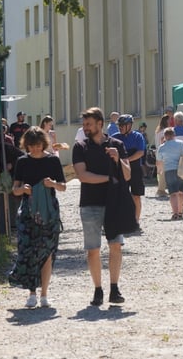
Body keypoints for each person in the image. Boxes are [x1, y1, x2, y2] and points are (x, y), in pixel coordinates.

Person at [71, 107, 131, 307]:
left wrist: (117, 160)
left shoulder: (117, 144)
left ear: (100, 124)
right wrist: (110, 178)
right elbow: (83, 176)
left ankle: (114, 288)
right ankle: (98, 289)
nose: (85, 128)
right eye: (84, 124)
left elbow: (128, 174)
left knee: (116, 245)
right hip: (90, 203)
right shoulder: (80, 147)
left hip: (114, 203)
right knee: (93, 249)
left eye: (89, 124)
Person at [8, 126, 66, 308]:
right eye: (31, 146)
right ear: (27, 145)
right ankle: (32, 292)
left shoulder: (53, 162)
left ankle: (44, 294)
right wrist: (23, 189)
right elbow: (14, 190)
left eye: (38, 145)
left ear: (44, 143)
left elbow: (63, 186)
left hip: (49, 211)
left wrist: (52, 184)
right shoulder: (22, 162)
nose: (35, 149)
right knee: (29, 251)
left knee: (48, 252)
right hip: (28, 212)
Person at [112, 114, 146, 230]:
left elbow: (140, 152)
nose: (120, 127)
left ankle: (136, 220)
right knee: (120, 195)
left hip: (135, 169)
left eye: (122, 125)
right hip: (120, 170)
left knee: (136, 196)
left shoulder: (138, 136)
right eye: (119, 125)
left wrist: (126, 160)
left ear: (129, 125)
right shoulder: (115, 137)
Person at [156, 128, 183, 220]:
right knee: (182, 193)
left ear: (165, 136)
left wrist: (159, 170)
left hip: (169, 170)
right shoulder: (181, 143)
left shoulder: (162, 147)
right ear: (174, 135)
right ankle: (180, 212)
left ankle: (175, 213)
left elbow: (159, 162)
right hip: (182, 170)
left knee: (173, 193)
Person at [154, 114, 171, 197]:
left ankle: (160, 189)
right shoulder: (165, 131)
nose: (170, 121)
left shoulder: (158, 131)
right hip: (163, 153)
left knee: (160, 171)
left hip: (158, 152)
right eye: (169, 120)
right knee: (163, 172)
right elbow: (162, 141)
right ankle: (161, 190)